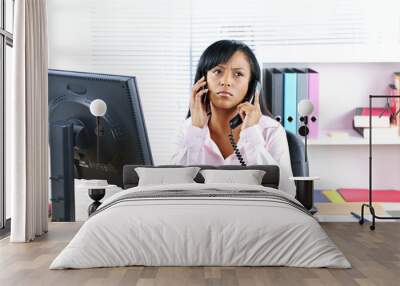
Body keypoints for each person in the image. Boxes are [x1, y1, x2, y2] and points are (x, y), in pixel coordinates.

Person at [170, 40, 295, 197]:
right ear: (203, 79)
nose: (226, 81)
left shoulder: (271, 130)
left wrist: (251, 134)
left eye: (238, 74)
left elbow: (287, 192)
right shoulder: (187, 129)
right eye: (217, 71)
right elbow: (172, 189)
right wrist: (196, 131)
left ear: (252, 86)